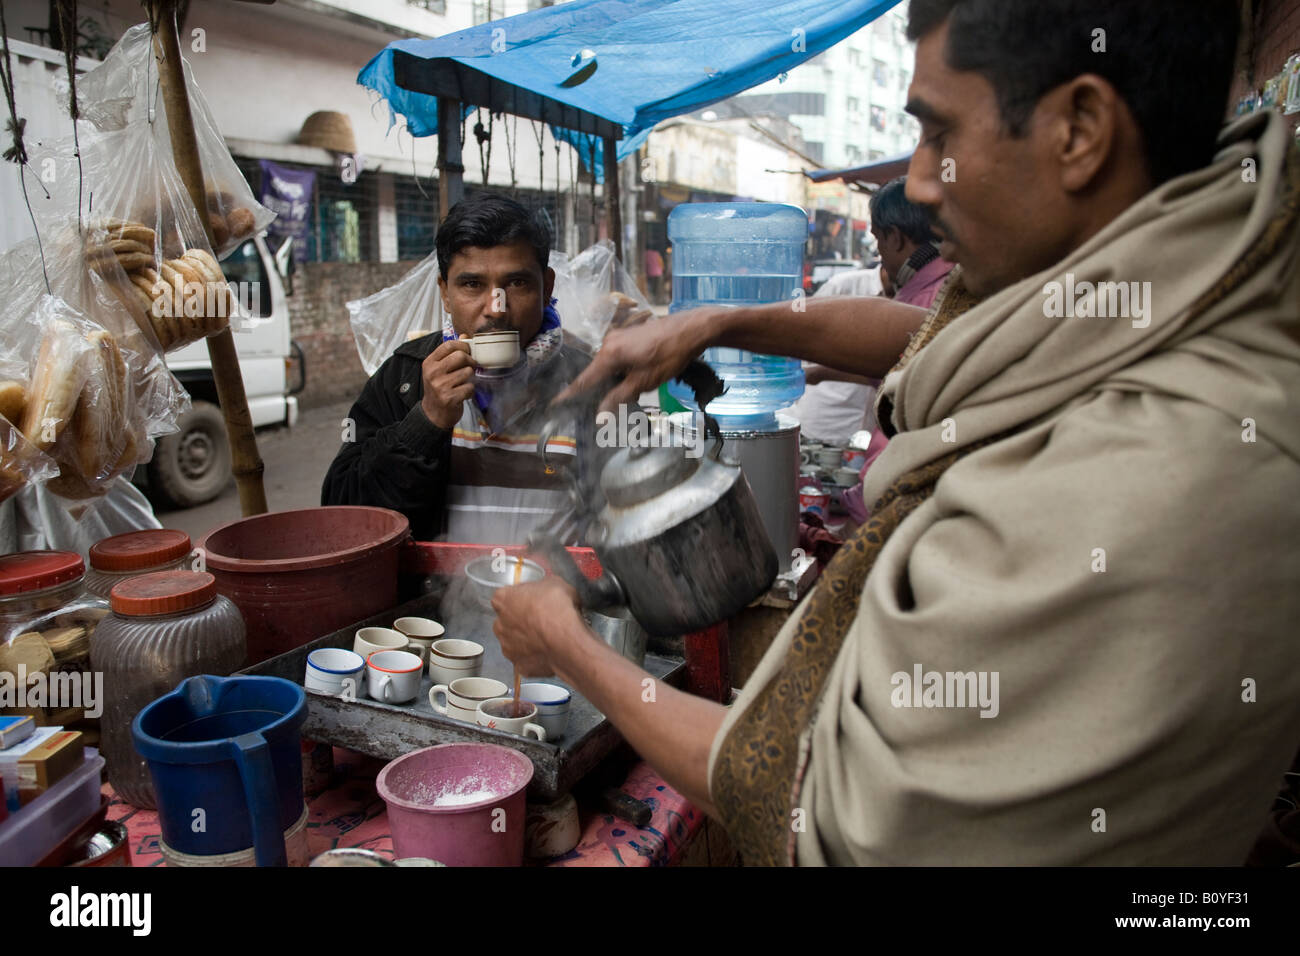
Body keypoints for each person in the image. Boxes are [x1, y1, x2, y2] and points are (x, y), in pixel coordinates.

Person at [491, 0, 1300, 866]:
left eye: (939, 132)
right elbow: (924, 341)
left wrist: (568, 647)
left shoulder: (1133, 485)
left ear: (1081, 131)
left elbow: (812, 812)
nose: (917, 180)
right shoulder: (1140, 279)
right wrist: (711, 323)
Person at [321, 195, 592, 544]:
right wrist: (425, 423)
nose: (496, 309)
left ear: (547, 287)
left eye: (517, 283)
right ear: (445, 293)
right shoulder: (403, 379)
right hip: (436, 599)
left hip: (556, 597)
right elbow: (344, 516)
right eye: (472, 285)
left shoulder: (592, 382)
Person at [784, 266, 885, 446]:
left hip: (866, 435)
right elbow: (799, 335)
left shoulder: (916, 297)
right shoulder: (843, 287)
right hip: (820, 424)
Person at [869, 176, 954, 310]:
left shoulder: (916, 303)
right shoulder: (959, 274)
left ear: (893, 237)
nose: (879, 249)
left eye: (878, 238)